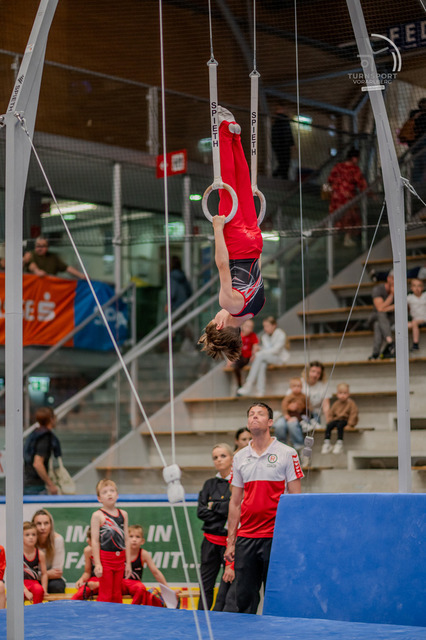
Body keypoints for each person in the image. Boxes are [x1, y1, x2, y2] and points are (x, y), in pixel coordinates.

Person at [198, 106, 265, 362]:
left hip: (254, 243)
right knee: (227, 186)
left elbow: (257, 269)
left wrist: (254, 241)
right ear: (219, 325)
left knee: (243, 187)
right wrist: (218, 229)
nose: (216, 315)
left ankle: (236, 136)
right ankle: (226, 132)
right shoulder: (229, 304)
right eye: (214, 319)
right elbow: (222, 264)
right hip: (236, 244)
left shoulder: (255, 309)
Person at [224, 402, 303, 614]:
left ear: (270, 422)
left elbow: (296, 500)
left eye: (260, 414)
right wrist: (231, 542)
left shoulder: (287, 453)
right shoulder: (239, 457)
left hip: (276, 537)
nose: (254, 417)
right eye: (251, 414)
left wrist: (293, 538)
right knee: (244, 600)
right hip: (247, 538)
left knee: (278, 599)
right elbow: (235, 502)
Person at [197, 443, 233, 610]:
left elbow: (234, 509)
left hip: (229, 543)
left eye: (223, 456)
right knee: (205, 585)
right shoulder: (209, 484)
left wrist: (213, 506)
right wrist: (224, 510)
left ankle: (222, 618)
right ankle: (202, 617)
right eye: (215, 457)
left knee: (228, 585)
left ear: (232, 458)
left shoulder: (237, 482)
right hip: (209, 542)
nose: (219, 460)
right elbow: (201, 511)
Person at [90, 479, 131, 603]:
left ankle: (117, 615)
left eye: (112, 491)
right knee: (106, 594)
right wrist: (98, 564)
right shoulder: (98, 515)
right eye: (105, 492)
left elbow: (126, 539)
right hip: (106, 560)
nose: (109, 494)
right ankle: (103, 614)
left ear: (117, 495)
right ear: (99, 498)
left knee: (117, 594)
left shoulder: (123, 514)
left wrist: (128, 563)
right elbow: (95, 541)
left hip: (120, 559)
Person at [236, 316, 289, 397]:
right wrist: (260, 349)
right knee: (262, 363)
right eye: (264, 326)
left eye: (267, 326)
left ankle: (248, 385)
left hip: (280, 359)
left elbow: (276, 351)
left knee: (259, 356)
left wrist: (260, 352)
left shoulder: (280, 334)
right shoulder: (264, 336)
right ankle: (261, 391)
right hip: (267, 358)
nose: (265, 328)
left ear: (274, 325)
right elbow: (267, 349)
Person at [121, 524, 171, 607]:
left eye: (137, 537)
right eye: (131, 536)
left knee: (141, 588)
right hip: (121, 582)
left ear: (142, 541)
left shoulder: (143, 554)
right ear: (125, 539)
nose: (134, 539)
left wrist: (168, 589)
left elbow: (155, 572)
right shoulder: (121, 552)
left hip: (134, 584)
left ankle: (132, 609)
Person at [327, 148, 367, 247]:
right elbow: (361, 184)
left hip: (336, 198)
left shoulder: (338, 166)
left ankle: (333, 238)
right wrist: (370, 194)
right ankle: (347, 239)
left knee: (337, 217)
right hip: (347, 199)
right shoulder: (354, 169)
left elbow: (330, 179)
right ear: (354, 158)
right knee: (351, 218)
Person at [24, 407, 61, 495]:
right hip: (36, 485)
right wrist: (51, 485)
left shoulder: (34, 434)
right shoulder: (45, 437)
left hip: (28, 481)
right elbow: (38, 464)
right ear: (51, 419)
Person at [32, 508, 66, 594]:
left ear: (51, 525)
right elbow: (25, 574)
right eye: (38, 524)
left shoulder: (58, 540)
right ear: (33, 526)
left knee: (57, 586)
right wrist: (45, 574)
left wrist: (37, 575)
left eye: (46, 523)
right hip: (32, 580)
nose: (42, 527)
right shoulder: (28, 540)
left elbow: (57, 572)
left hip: (51, 580)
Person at [273, 377, 310, 453]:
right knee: (279, 425)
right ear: (290, 388)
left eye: (298, 386)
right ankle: (281, 445)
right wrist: (286, 415)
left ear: (302, 387)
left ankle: (299, 445)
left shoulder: (304, 396)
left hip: (299, 416)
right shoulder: (289, 396)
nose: (296, 388)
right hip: (288, 415)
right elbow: (284, 406)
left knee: (292, 424)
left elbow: (307, 406)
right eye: (294, 386)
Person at [321, 383, 359, 455]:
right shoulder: (336, 404)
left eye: (345, 393)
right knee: (329, 425)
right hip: (336, 420)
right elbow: (331, 413)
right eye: (340, 393)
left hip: (345, 420)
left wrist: (350, 424)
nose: (342, 395)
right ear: (337, 394)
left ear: (348, 394)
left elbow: (353, 414)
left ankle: (339, 442)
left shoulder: (351, 403)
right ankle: (327, 442)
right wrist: (330, 420)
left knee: (340, 425)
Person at [368, 271, 395, 360]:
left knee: (378, 325)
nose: (395, 281)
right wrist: (391, 295)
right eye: (393, 279)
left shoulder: (401, 290)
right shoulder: (378, 289)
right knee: (380, 314)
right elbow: (379, 309)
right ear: (388, 278)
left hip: (389, 319)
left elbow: (402, 307)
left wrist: (385, 308)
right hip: (375, 317)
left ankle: (375, 353)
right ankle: (390, 343)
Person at [229, 319, 259, 390]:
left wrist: (254, 355)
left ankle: (240, 386)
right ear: (242, 326)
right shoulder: (238, 336)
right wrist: (230, 360)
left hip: (247, 357)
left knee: (236, 366)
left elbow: (255, 346)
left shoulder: (253, 335)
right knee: (235, 364)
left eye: (251, 327)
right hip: (239, 356)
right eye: (247, 326)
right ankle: (239, 385)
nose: (249, 329)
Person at [72, 528, 100, 600]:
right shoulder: (88, 551)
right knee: (79, 594)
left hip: (110, 581)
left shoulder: (110, 551)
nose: (87, 540)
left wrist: (98, 584)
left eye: (90, 538)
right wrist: (81, 580)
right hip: (94, 579)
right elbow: (87, 572)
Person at [23, 521, 48, 604]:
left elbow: (44, 574)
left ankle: (37, 610)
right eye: (27, 535)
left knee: (39, 589)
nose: (31, 537)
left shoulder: (40, 554)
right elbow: (15, 576)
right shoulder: (17, 554)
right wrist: (25, 591)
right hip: (20, 583)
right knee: (17, 592)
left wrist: (44, 589)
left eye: (33, 535)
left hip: (34, 583)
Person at [271, 105, 295, 180]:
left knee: (284, 162)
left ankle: (280, 175)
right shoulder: (283, 121)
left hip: (281, 145)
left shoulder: (278, 122)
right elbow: (288, 133)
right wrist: (291, 144)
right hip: (283, 145)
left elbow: (287, 133)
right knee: (284, 162)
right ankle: (281, 175)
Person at [407, 278, 426, 351]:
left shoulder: (425, 295)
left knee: (414, 322)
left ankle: (415, 344)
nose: (417, 288)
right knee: (403, 325)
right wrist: (384, 308)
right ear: (411, 288)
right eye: (414, 286)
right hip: (415, 321)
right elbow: (398, 306)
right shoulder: (409, 297)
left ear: (423, 287)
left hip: (424, 318)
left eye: (419, 286)